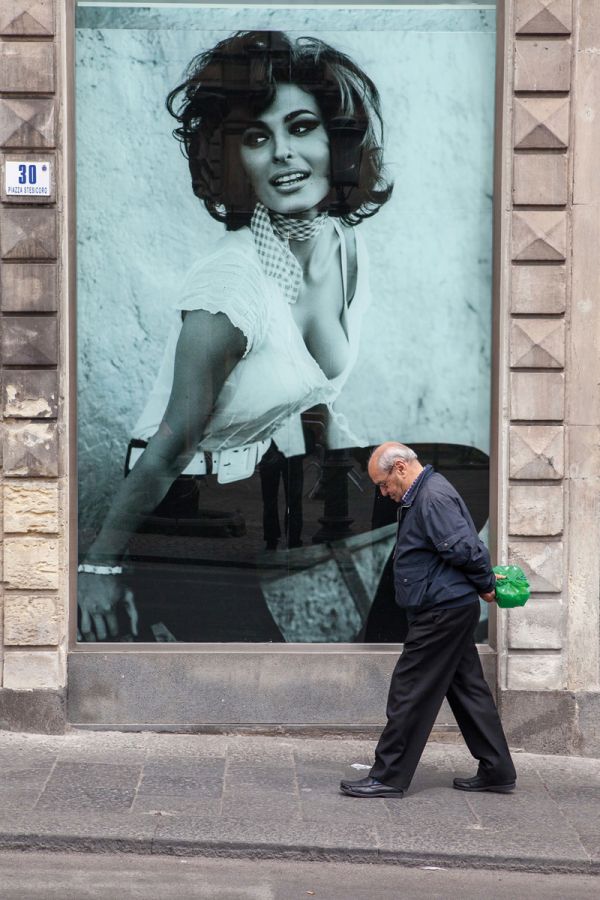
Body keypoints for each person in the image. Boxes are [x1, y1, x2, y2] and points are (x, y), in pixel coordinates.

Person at [77, 30, 392, 642]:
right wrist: (100, 563)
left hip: (257, 483)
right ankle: (155, 590)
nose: (282, 153)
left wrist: (325, 471)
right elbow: (169, 447)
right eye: (256, 137)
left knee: (455, 489)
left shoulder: (343, 246)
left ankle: (383, 658)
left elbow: (314, 390)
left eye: (301, 127)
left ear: (338, 139)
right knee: (269, 693)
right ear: (233, 161)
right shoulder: (230, 289)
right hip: (180, 511)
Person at [340, 441, 516, 798]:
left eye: (383, 483)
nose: (384, 492)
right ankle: (497, 769)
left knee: (410, 691)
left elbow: (465, 548)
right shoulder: (424, 493)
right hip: (448, 607)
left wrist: (485, 585)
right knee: (468, 691)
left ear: (401, 467)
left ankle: (388, 776)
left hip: (441, 611)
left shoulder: (432, 497)